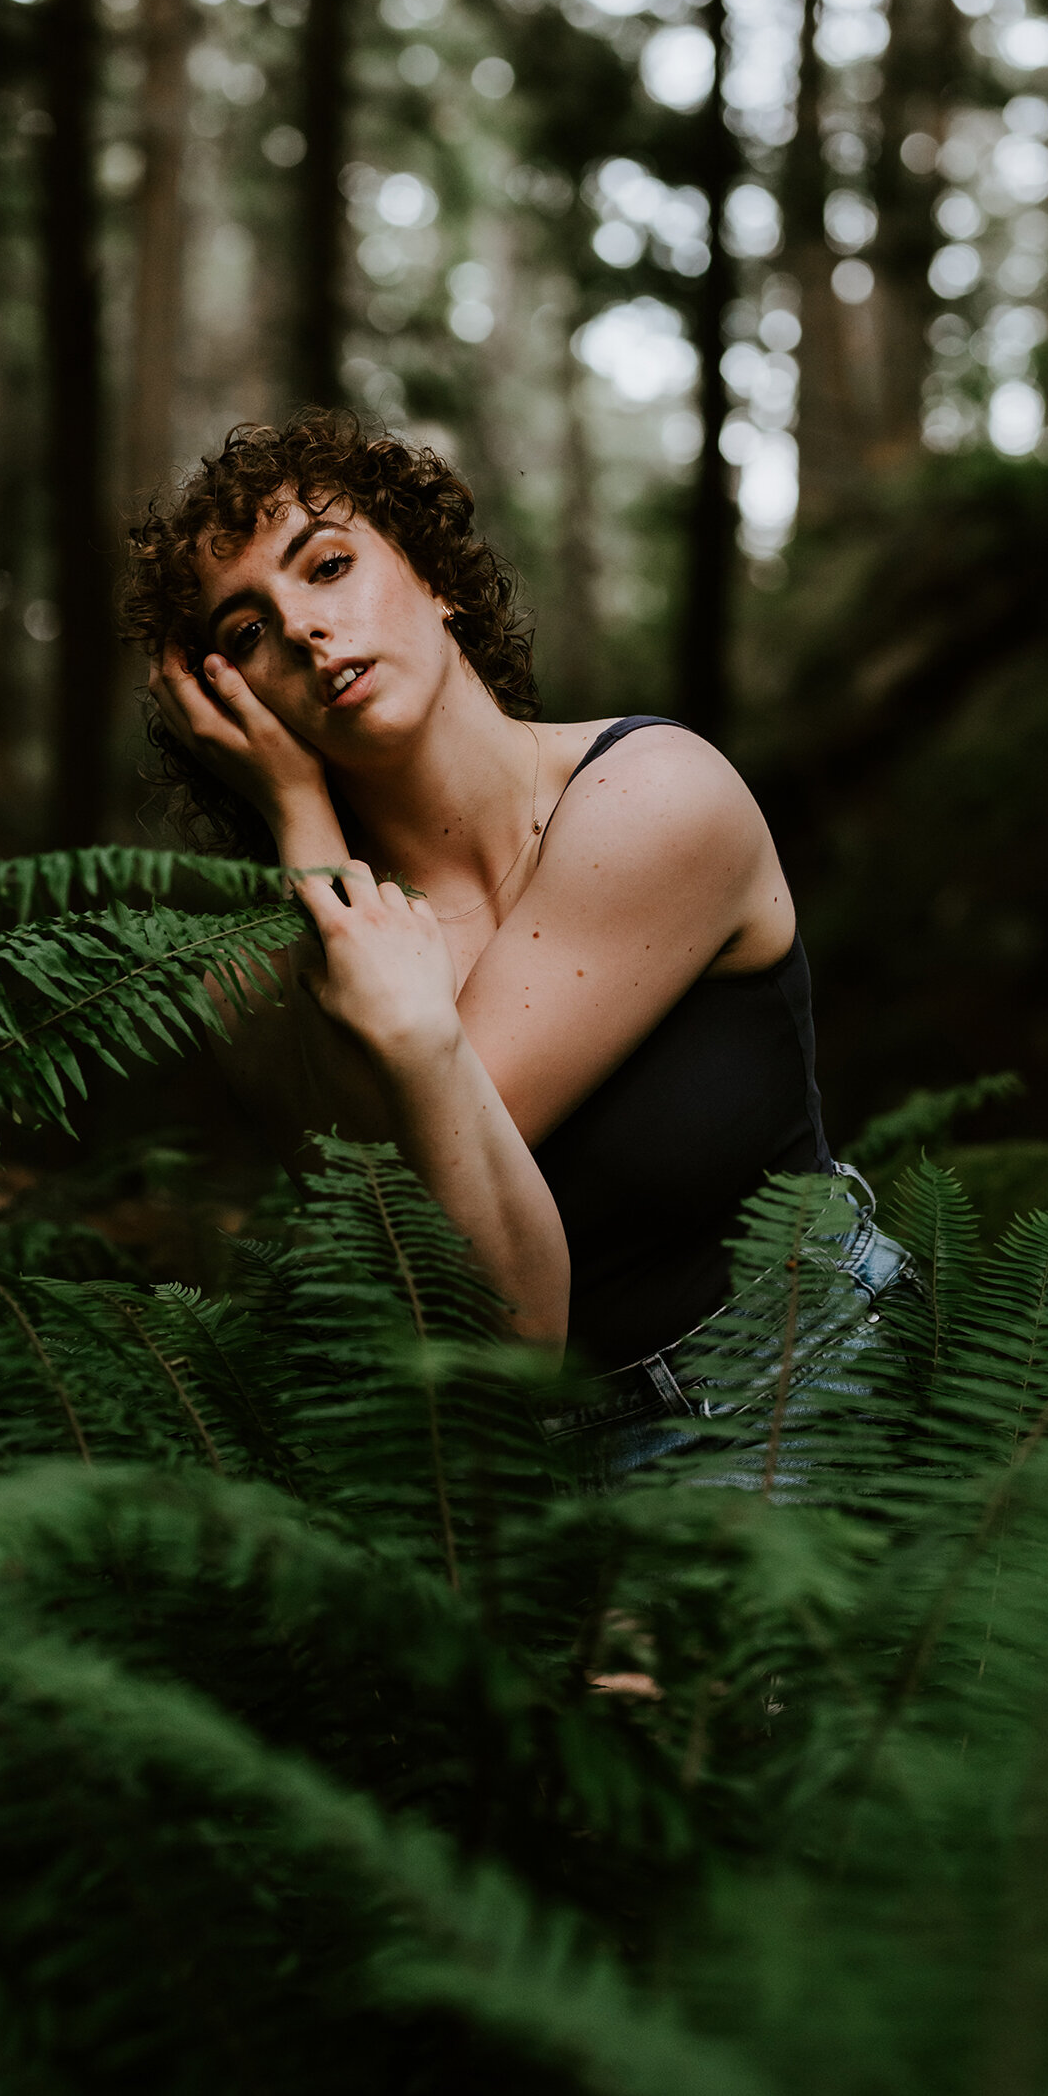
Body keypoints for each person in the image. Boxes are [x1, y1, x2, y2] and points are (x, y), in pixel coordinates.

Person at [123, 406, 835, 1416]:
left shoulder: (656, 797)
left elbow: (438, 1194)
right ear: (231, 707)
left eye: (326, 566)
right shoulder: (257, 980)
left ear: (439, 579)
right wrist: (296, 808)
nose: (301, 626)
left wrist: (306, 831)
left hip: (799, 1398)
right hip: (513, 1479)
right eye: (247, 632)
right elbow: (423, 1297)